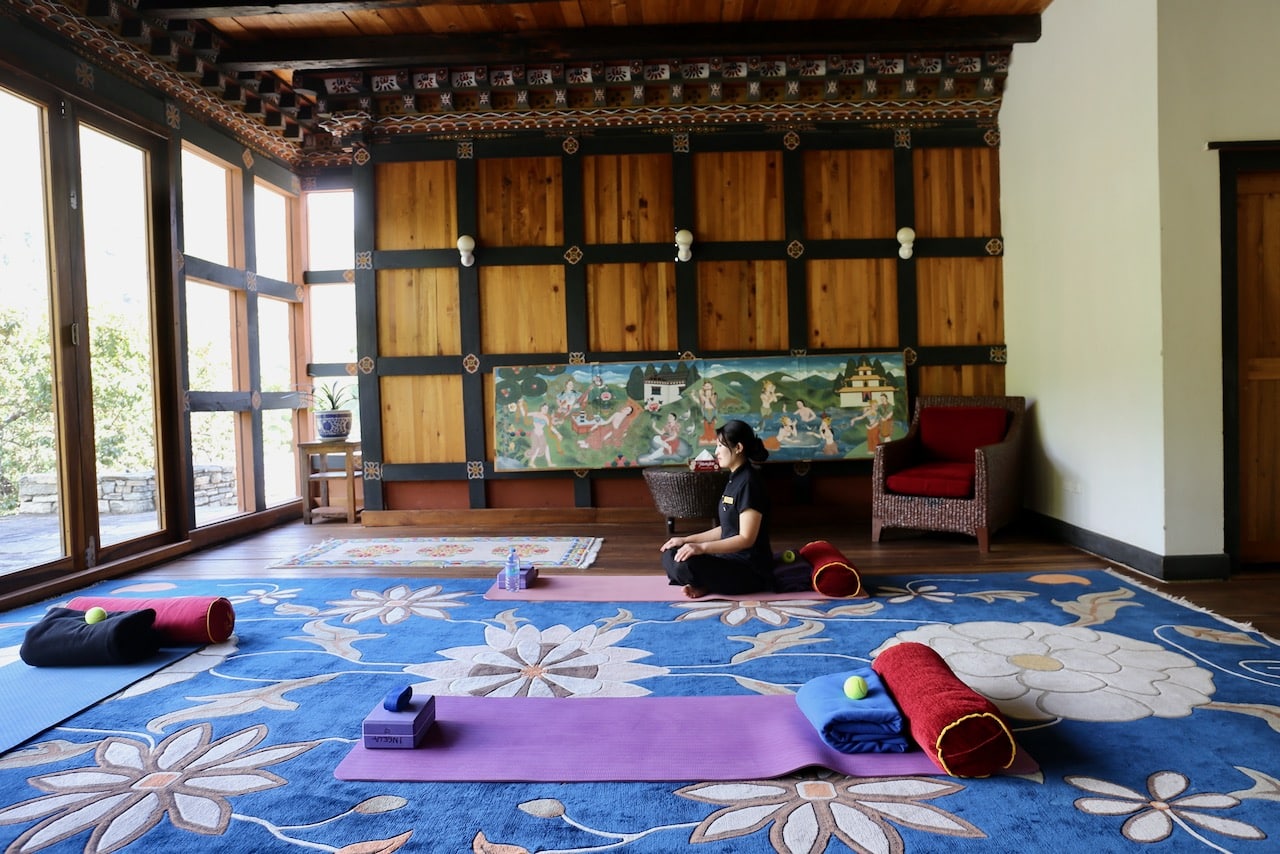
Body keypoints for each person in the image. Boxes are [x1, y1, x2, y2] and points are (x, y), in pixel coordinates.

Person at [660, 419, 774, 598]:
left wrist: (702, 548)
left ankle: (705, 583)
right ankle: (707, 584)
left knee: (686, 565)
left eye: (721, 446)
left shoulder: (749, 483)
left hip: (750, 568)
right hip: (727, 559)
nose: (716, 452)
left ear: (738, 448)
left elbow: (746, 538)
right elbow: (727, 530)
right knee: (671, 554)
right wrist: (686, 540)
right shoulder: (734, 479)